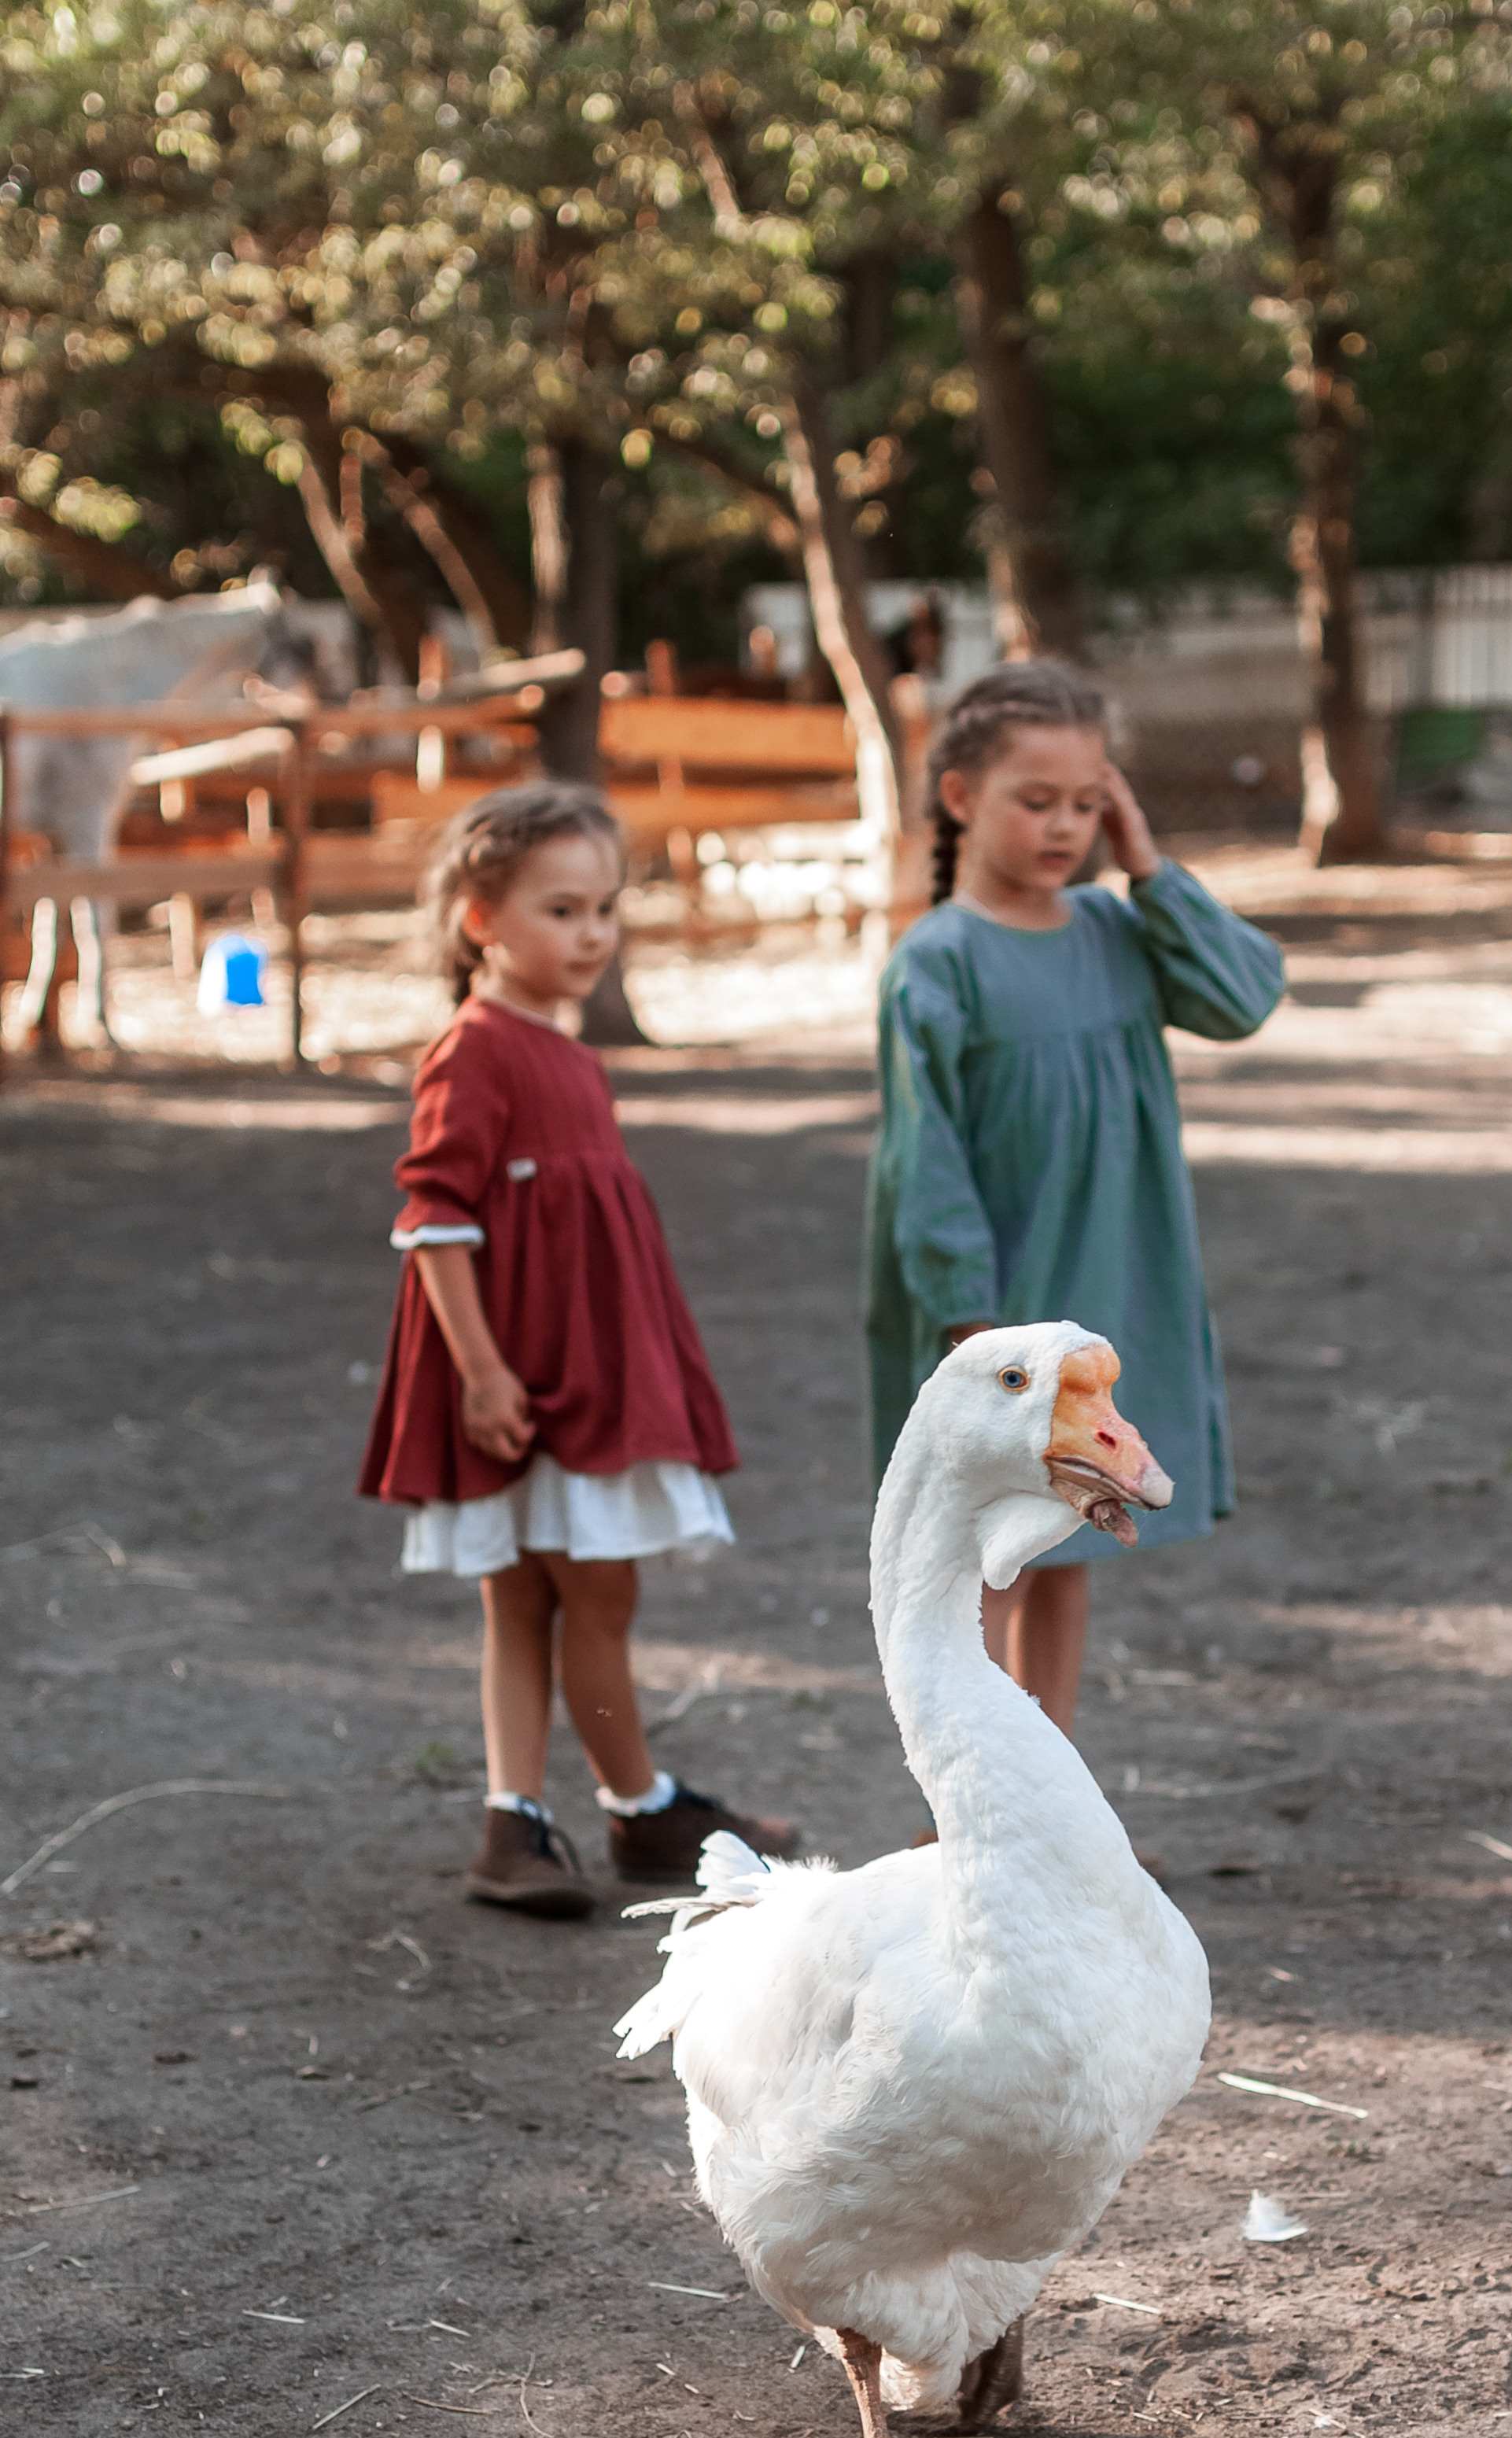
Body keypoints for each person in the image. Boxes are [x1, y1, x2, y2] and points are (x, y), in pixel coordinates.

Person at [358, 783, 795, 1918]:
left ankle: (539, 1819)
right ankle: (626, 1808)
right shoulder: (474, 1052)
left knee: (555, 1601)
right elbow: (434, 1222)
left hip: (585, 1373)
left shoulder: (567, 1053)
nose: (593, 933)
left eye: (605, 908)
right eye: (562, 910)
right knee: (574, 1599)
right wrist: (481, 1371)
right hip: (528, 1383)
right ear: (480, 920)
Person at [864, 661, 1284, 1738]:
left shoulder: (1116, 928)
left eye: (1089, 802)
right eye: (1036, 800)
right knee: (979, 1560)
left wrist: (1148, 867)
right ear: (961, 797)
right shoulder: (937, 961)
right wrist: (972, 1327)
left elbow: (1243, 997)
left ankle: (1041, 1777)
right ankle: (958, 1790)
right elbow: (924, 1158)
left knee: (1060, 1543)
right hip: (993, 1310)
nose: (1065, 826)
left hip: (1099, 1282)